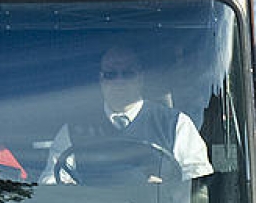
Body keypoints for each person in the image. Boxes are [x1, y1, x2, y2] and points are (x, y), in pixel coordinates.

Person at [41, 46, 213, 184]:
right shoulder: (74, 130)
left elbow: (198, 178)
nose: (119, 81)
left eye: (128, 73)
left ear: (141, 78)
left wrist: (168, 187)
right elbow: (50, 180)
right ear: (101, 80)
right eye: (111, 74)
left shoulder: (176, 124)